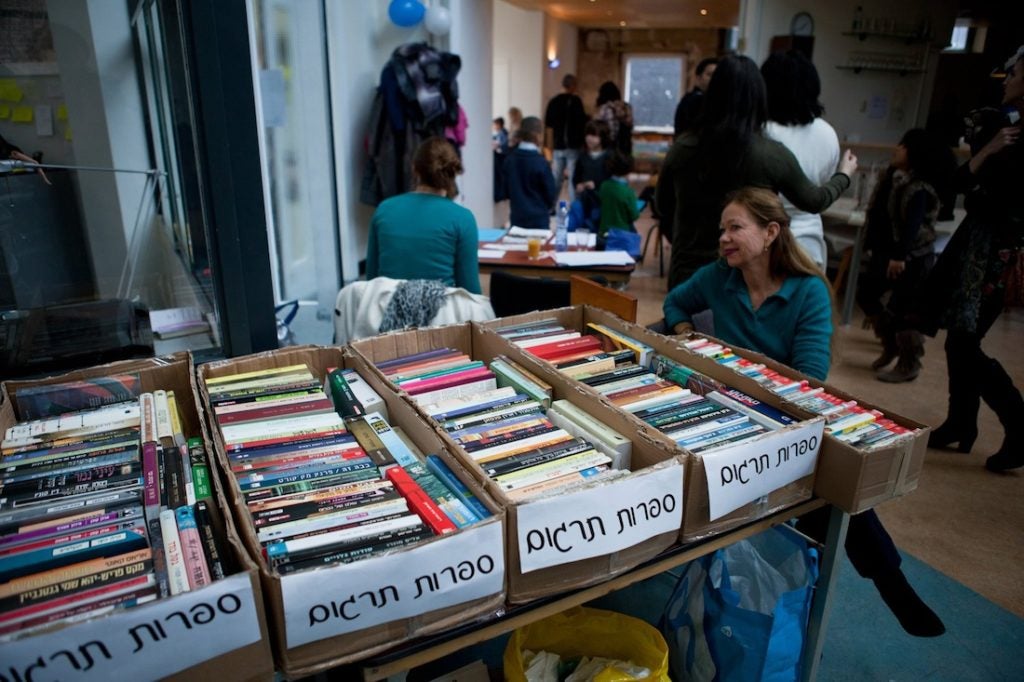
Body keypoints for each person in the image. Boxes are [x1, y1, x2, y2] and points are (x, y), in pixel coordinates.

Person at [664, 187, 945, 638]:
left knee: (835, 478)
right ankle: (855, 562)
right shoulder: (719, 277)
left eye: (735, 227)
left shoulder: (809, 291)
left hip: (782, 417)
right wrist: (684, 333)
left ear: (771, 232)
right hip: (723, 412)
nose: (723, 238)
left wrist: (745, 383)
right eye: (722, 229)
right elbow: (675, 302)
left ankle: (889, 584)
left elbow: (810, 380)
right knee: (820, 489)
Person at [655, 54, 857, 290]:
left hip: (686, 272)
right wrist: (843, 175)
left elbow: (662, 206)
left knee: (682, 326)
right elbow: (814, 201)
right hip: (741, 277)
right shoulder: (769, 154)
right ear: (759, 99)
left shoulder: (683, 148)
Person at [919, 45, 1024, 472]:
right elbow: (961, 182)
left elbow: (987, 190)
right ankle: (961, 422)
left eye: (1015, 71)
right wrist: (991, 146)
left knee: (965, 340)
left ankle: (1018, 424)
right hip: (978, 245)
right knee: (959, 336)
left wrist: (991, 152)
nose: (1007, 76)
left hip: (999, 253)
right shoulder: (1002, 127)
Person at [855, 128, 956, 383]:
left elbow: (912, 227)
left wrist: (899, 256)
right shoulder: (894, 178)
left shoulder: (919, 188)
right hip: (889, 254)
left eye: (902, 145)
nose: (896, 149)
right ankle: (890, 344)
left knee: (907, 310)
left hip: (913, 258)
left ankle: (909, 361)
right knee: (866, 292)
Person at [365, 136, 480, 294]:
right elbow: (470, 290)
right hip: (440, 315)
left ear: (414, 169)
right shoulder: (462, 218)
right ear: (453, 172)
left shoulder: (384, 209)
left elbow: (371, 278)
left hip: (386, 312)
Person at [761, 50, 839, 271]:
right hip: (809, 244)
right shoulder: (827, 134)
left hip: (761, 239)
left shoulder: (761, 132)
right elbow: (824, 184)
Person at [502, 116, 557, 230]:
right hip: (539, 218)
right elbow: (550, 193)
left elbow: (505, 190)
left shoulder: (509, 160)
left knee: (517, 247)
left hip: (517, 216)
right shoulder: (541, 162)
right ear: (539, 135)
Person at [544, 74, 588, 203]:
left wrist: (548, 147)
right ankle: (574, 207)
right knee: (573, 178)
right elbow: (582, 123)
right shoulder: (576, 101)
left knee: (556, 178)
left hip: (558, 145)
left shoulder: (553, 102)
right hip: (573, 145)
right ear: (573, 86)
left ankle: (551, 206)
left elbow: (548, 125)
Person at [572, 120, 612, 232]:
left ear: (603, 137)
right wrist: (578, 185)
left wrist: (596, 184)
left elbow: (610, 179)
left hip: (601, 202)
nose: (589, 138)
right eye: (588, 134)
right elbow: (576, 176)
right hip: (584, 199)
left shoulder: (609, 156)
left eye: (594, 135)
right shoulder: (583, 155)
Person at [597, 152, 639, 238]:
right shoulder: (628, 192)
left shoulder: (604, 186)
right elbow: (634, 215)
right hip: (621, 234)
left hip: (603, 232)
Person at [673, 57, 717, 138]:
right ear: (698, 78)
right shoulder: (695, 100)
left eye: (718, 75)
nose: (715, 79)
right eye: (710, 75)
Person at [595, 81, 633, 155]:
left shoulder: (605, 108)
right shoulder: (627, 107)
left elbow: (597, 126)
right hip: (625, 145)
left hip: (608, 145)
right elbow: (630, 124)